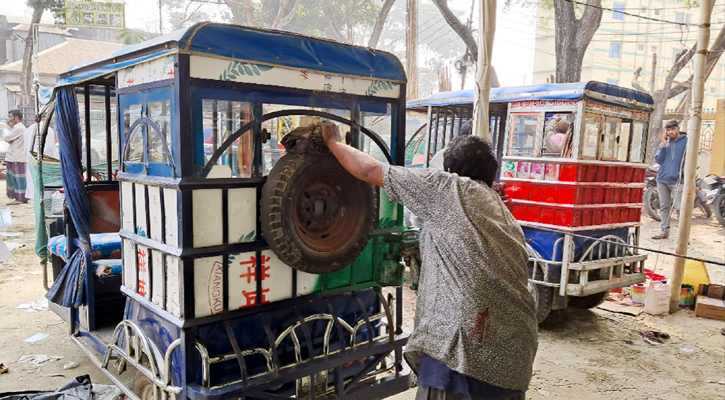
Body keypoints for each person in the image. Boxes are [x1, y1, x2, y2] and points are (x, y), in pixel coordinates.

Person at [319, 122, 536, 400]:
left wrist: (334, 142)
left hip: (464, 354)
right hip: (515, 357)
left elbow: (368, 170)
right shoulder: (499, 210)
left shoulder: (448, 189)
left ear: (447, 171)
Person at [653, 120, 687, 240]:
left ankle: (683, 236)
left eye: (672, 129)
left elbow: (690, 160)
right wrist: (663, 145)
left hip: (678, 180)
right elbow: (659, 160)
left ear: (678, 128)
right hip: (662, 179)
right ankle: (664, 231)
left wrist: (682, 173)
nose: (670, 132)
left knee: (679, 207)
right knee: (664, 206)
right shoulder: (664, 143)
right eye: (668, 130)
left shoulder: (686, 142)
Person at [22, 116, 58, 200]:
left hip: (32, 161)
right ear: (45, 117)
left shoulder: (28, 130)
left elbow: (25, 149)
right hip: (45, 163)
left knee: (35, 188)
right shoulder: (48, 130)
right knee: (45, 191)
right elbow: (49, 149)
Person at [5, 109, 28, 205]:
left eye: (11, 116)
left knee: (18, 178)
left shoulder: (19, 128)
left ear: (16, 118)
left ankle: (20, 198)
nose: (10, 119)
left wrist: (10, 139)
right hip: (14, 156)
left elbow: (6, 138)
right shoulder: (17, 128)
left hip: (17, 157)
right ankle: (20, 198)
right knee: (15, 178)